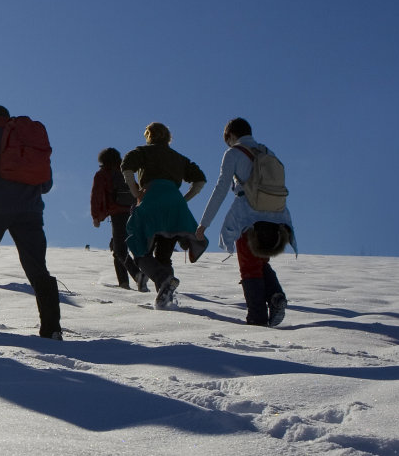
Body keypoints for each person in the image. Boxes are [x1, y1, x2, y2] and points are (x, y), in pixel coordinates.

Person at [0, 104, 62, 338]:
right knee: (37, 268)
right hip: (31, 210)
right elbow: (46, 185)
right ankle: (52, 329)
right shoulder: (30, 138)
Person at [195, 117, 295, 326]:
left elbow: (221, 189)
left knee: (249, 267)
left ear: (231, 136)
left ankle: (256, 318)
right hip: (277, 216)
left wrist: (204, 224)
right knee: (259, 262)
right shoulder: (267, 151)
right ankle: (275, 295)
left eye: (227, 140)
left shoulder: (233, 153)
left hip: (248, 217)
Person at [121, 122, 207, 310]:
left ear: (149, 135)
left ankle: (162, 279)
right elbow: (200, 179)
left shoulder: (143, 151)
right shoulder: (179, 158)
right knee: (164, 255)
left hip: (151, 199)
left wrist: (136, 192)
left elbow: (126, 165)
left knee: (138, 247)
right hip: (175, 206)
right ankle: (165, 298)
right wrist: (183, 200)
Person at [90, 147, 143, 291]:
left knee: (119, 249)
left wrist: (96, 216)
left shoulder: (102, 174)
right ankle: (123, 283)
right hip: (133, 212)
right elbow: (137, 191)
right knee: (116, 246)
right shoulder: (124, 171)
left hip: (118, 214)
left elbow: (96, 196)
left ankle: (138, 275)